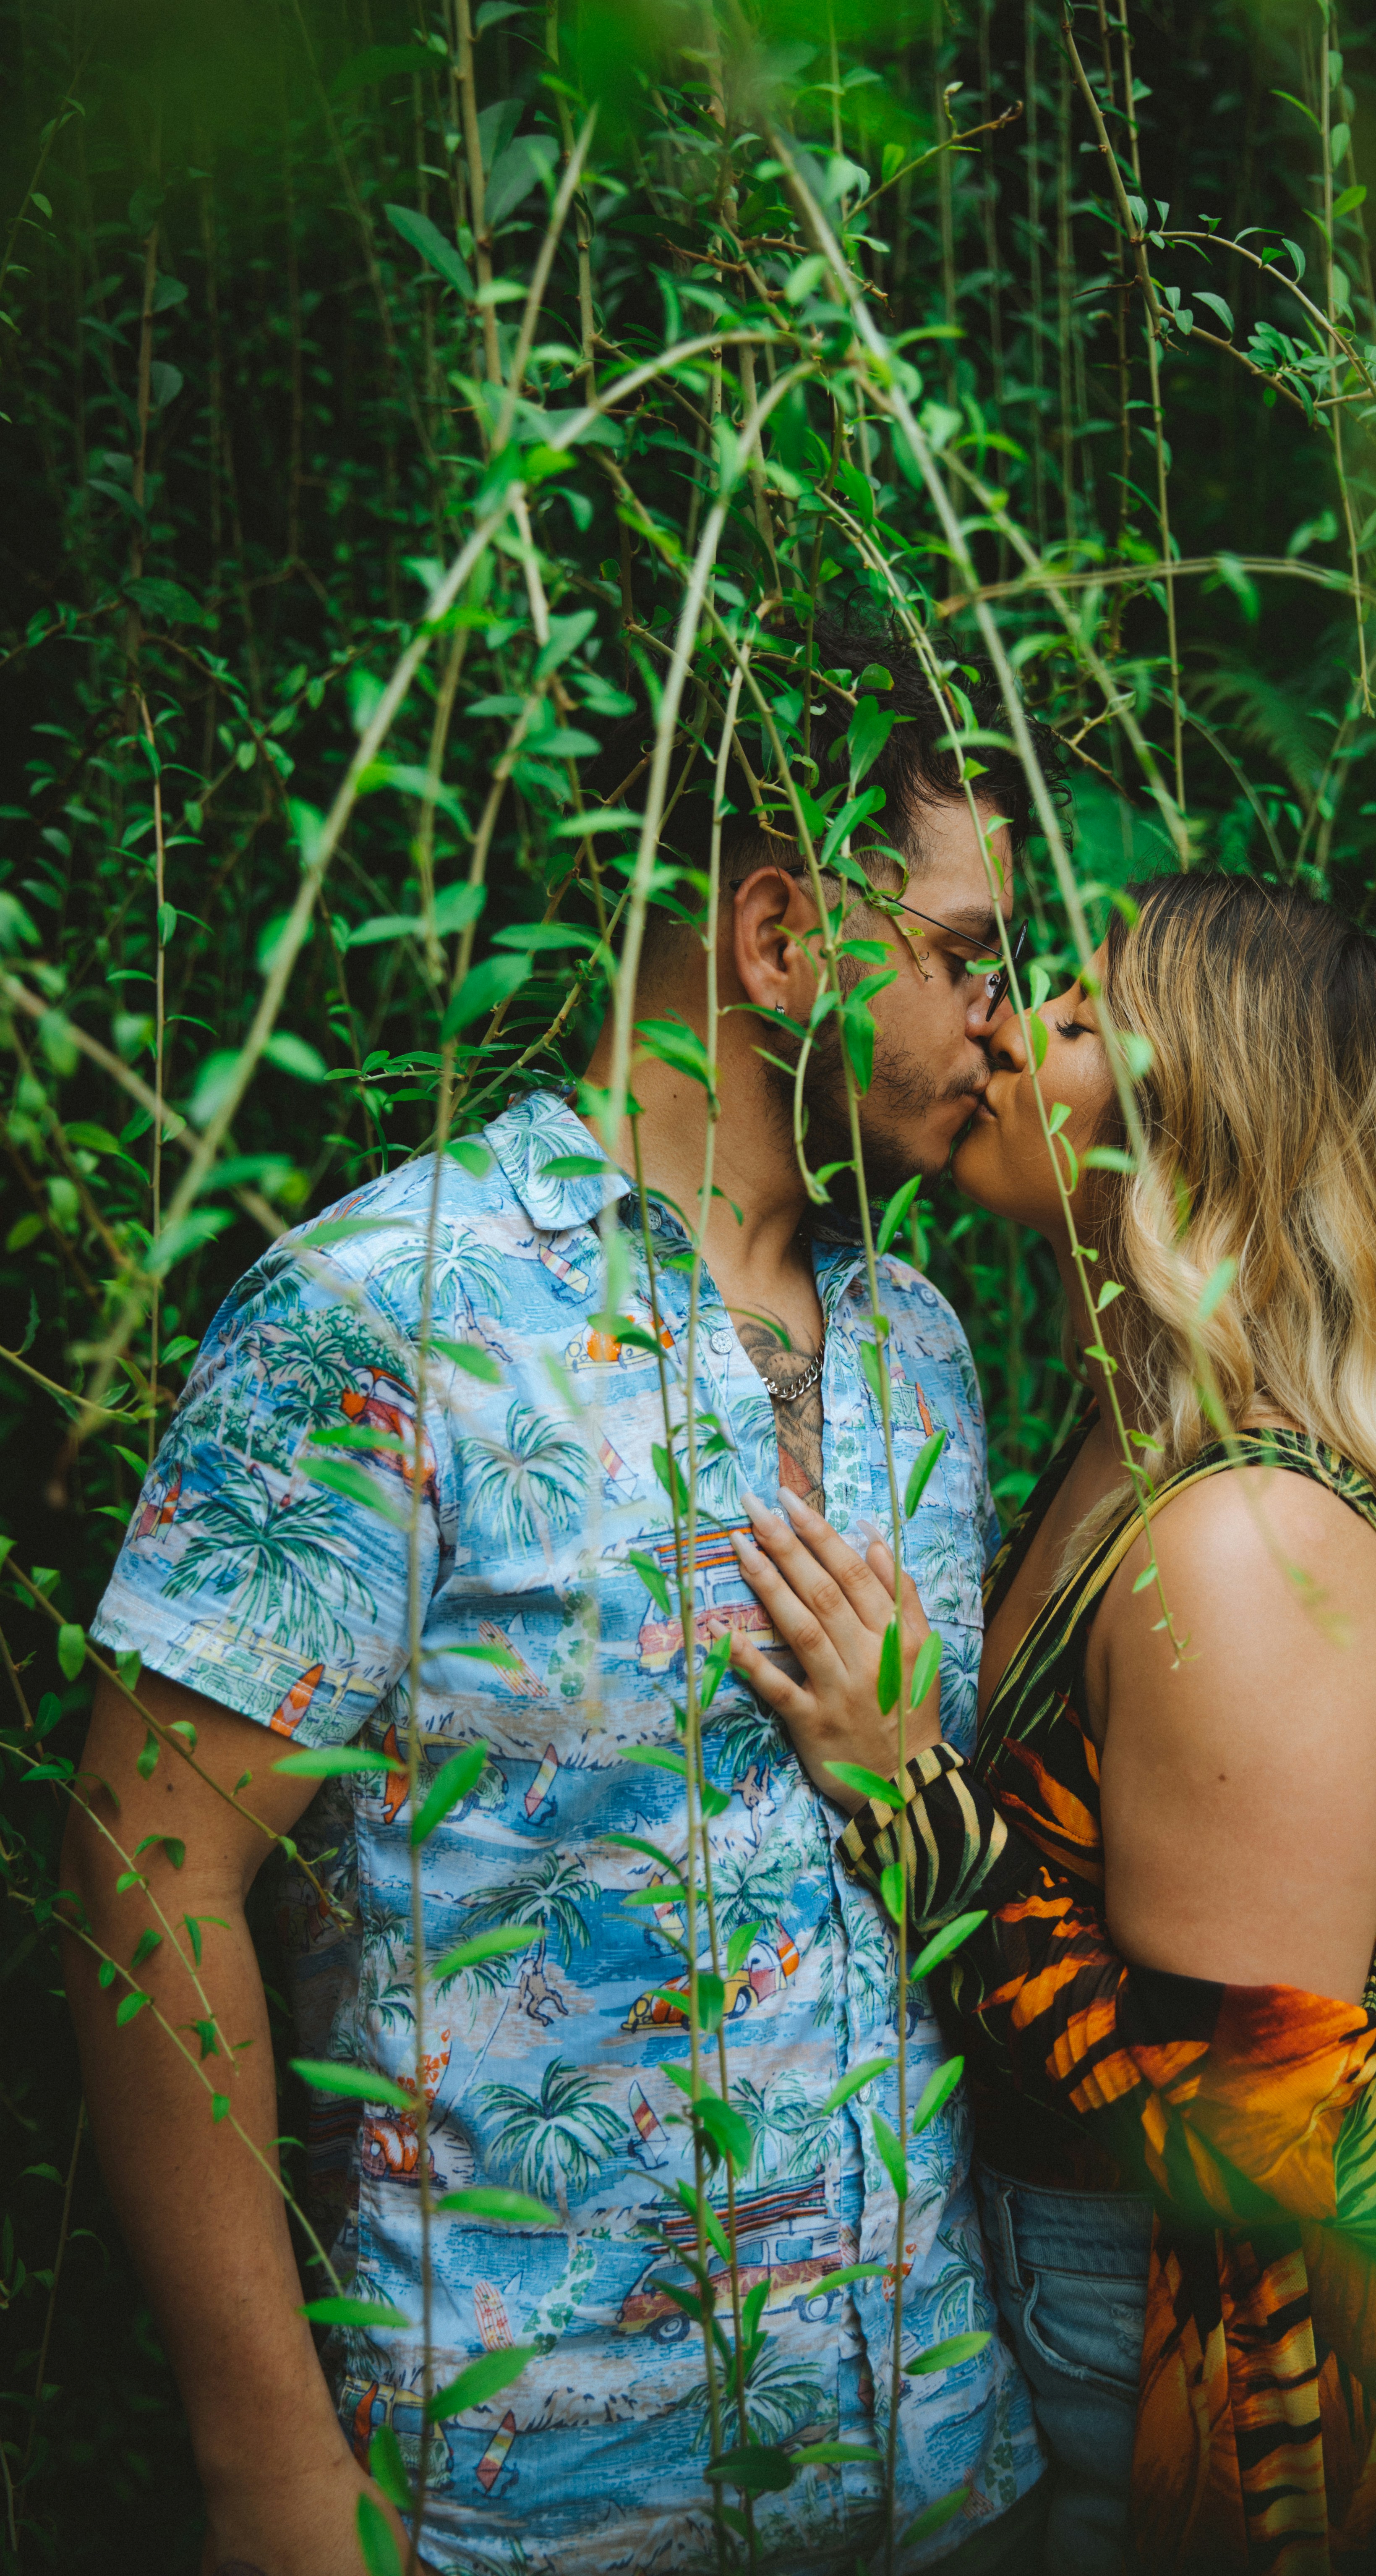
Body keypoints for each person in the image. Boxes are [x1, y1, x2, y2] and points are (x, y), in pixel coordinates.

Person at [60, 628, 1049, 2576]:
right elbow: (140, 1871)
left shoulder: (919, 1342)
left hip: (943, 2469)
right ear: (778, 941)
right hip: (536, 2513)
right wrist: (267, 2464)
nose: (1008, 1029)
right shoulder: (388, 1319)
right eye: (965, 959)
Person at [726, 873, 1376, 2574]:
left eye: (1080, 1016)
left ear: (1205, 1131)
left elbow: (1226, 2149)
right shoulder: (1124, 1445)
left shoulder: (1248, 1553)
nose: (1003, 1031)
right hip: (1045, 2291)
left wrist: (908, 1796)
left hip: (1170, 2362)